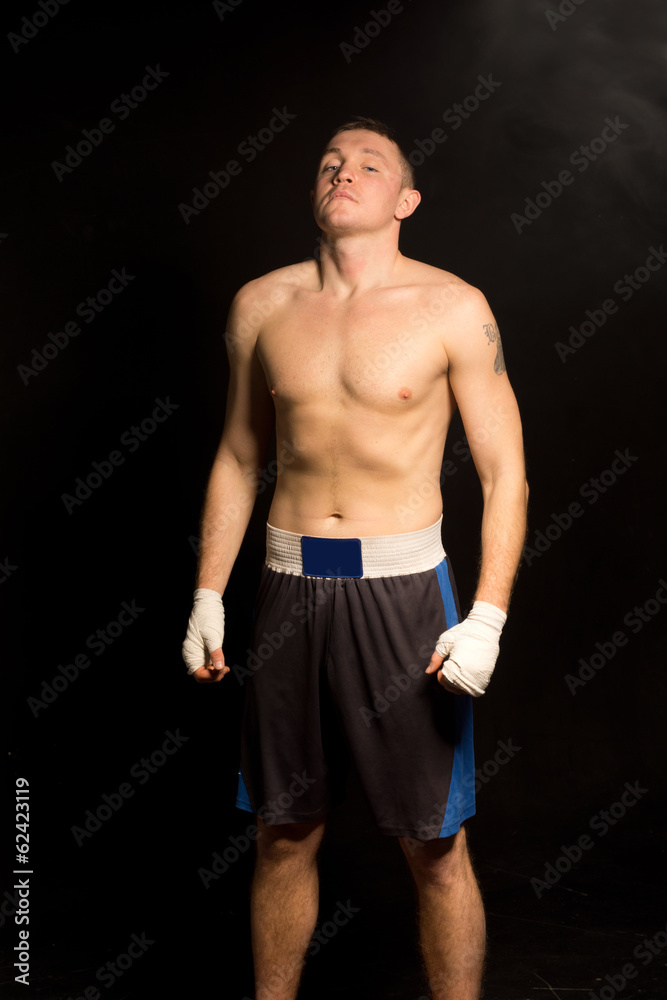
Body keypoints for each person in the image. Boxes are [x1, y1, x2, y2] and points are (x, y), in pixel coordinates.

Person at [182, 115, 528, 1000]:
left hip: (404, 590)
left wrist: (485, 615)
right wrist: (208, 597)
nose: (345, 172)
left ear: (405, 200)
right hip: (288, 584)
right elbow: (236, 455)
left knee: (433, 844)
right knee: (283, 828)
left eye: (369, 164)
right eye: (331, 163)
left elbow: (505, 474)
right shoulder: (261, 304)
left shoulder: (453, 306)